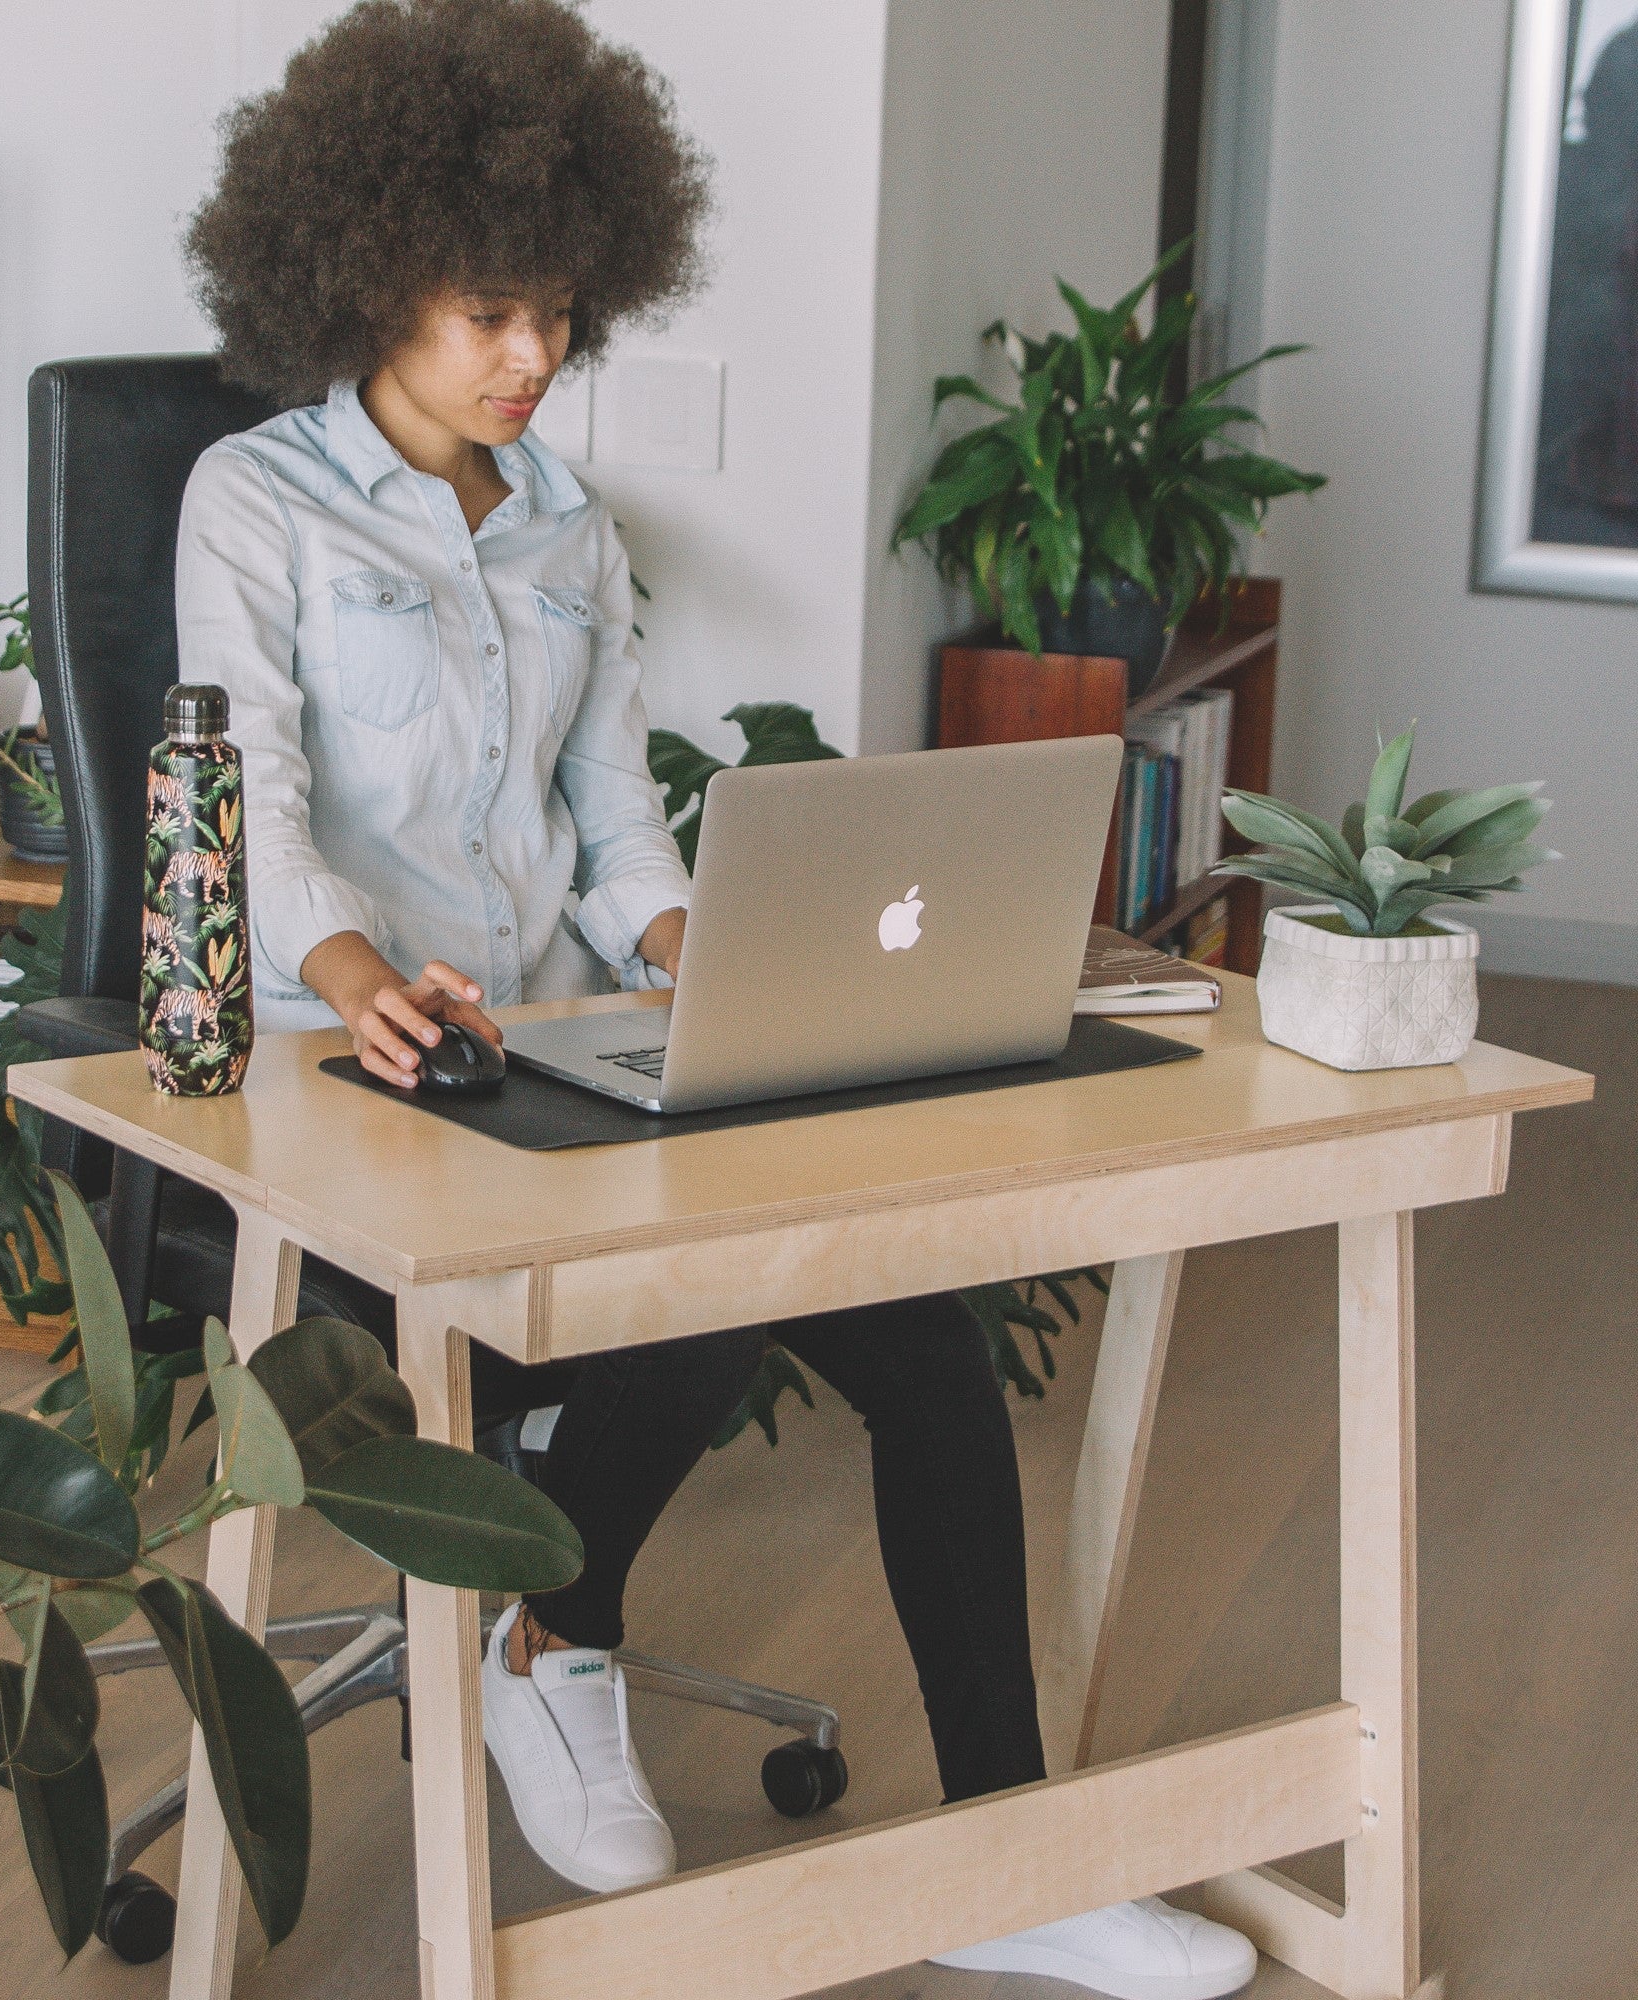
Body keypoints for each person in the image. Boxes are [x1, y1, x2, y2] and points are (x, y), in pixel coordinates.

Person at [178, 6, 1255, 1994]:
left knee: (911, 1326)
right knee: (713, 1258)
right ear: (364, 271)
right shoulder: (257, 505)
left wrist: (715, 956)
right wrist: (352, 979)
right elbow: (241, 809)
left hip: (557, 1055)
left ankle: (1008, 1857)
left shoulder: (572, 531)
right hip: (346, 1072)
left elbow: (617, 839)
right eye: (496, 311)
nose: (536, 356)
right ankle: (550, 1629)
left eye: (563, 315)